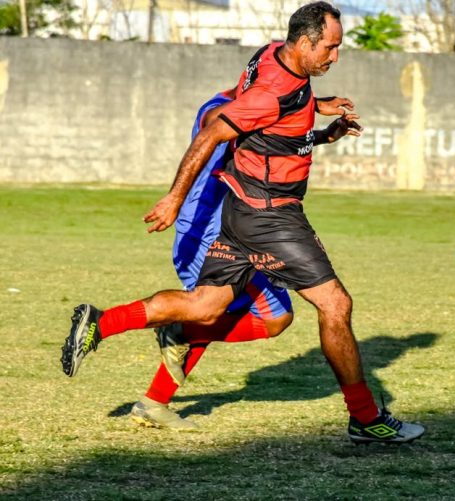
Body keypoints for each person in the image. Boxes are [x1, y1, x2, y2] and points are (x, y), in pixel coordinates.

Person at [61, 1, 425, 444]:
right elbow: (215, 130)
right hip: (272, 218)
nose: (335, 56)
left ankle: (102, 322)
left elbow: (272, 123)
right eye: (331, 47)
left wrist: (317, 118)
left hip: (240, 214)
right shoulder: (273, 92)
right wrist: (175, 198)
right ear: (306, 42)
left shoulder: (273, 55)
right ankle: (365, 418)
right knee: (335, 306)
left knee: (205, 307)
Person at [131, 88, 359, 429]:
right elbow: (220, 127)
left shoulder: (258, 104)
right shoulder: (222, 108)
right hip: (209, 231)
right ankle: (160, 345)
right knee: (242, 315)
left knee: (258, 317)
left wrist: (323, 135)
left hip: (243, 228)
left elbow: (270, 139)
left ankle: (157, 394)